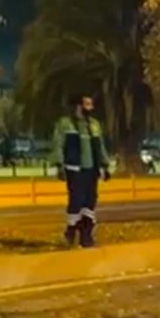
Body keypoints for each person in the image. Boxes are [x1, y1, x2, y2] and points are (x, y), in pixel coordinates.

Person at [51, 94, 111, 248]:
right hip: (74, 169)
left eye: (91, 104)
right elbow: (58, 144)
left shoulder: (94, 125)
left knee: (90, 201)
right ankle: (71, 231)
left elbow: (100, 146)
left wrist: (105, 165)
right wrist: (59, 165)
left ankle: (86, 234)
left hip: (92, 170)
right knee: (76, 201)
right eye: (87, 104)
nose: (91, 108)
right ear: (78, 106)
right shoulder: (65, 124)